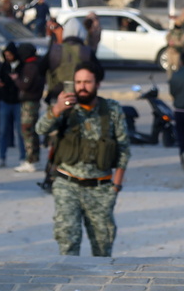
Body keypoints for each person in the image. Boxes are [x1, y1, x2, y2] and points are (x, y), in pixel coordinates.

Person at [34, 65, 131, 256]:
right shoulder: (65, 108)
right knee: (68, 243)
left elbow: (124, 149)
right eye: (78, 82)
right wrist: (57, 109)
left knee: (103, 247)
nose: (82, 87)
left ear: (97, 84)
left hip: (100, 189)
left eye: (87, 82)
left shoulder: (111, 109)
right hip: (67, 185)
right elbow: (40, 129)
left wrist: (116, 187)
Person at [13, 43, 46, 173]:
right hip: (33, 101)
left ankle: (31, 160)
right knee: (32, 131)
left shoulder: (31, 66)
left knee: (27, 131)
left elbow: (25, 85)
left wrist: (16, 79)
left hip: (30, 103)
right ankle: (34, 159)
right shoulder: (36, 64)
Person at [0, 43, 25, 168]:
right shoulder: (3, 66)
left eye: (10, 55)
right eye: (6, 55)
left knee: (21, 132)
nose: (8, 57)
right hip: (5, 101)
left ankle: (23, 158)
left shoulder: (22, 66)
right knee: (3, 131)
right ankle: (1, 157)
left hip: (18, 102)